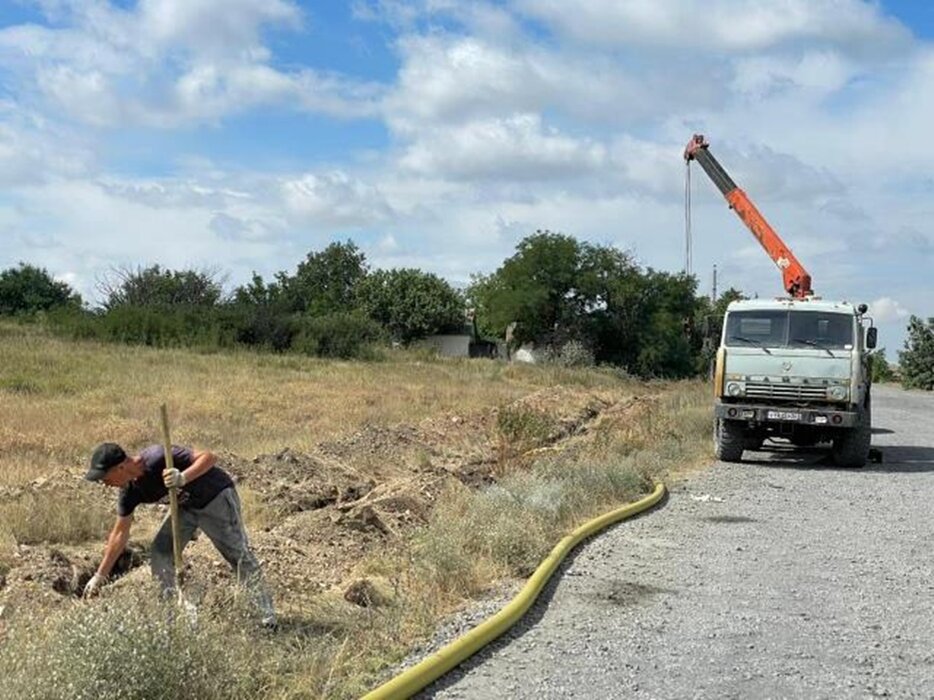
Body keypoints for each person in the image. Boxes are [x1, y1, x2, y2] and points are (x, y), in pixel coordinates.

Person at [83, 442, 276, 627]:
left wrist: (183, 477)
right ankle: (171, 616)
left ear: (120, 467)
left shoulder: (157, 457)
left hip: (215, 499)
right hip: (186, 508)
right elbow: (119, 534)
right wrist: (100, 576)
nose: (105, 484)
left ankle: (266, 616)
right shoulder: (129, 492)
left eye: (105, 478)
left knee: (237, 555)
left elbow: (209, 457)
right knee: (160, 551)